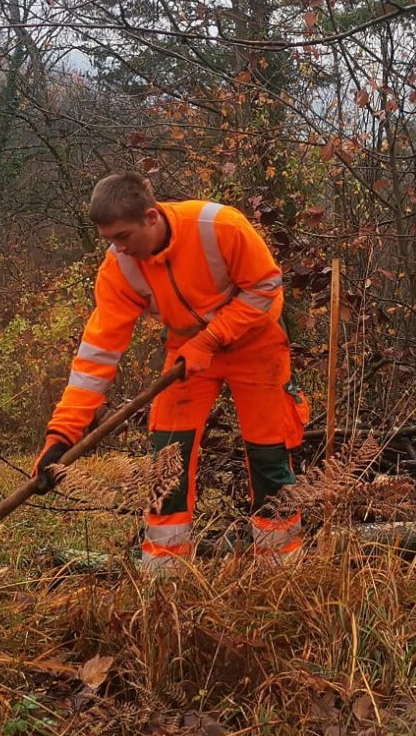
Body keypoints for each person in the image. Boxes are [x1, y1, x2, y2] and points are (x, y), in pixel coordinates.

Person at [34, 173, 309, 571]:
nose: (118, 248)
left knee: (268, 451)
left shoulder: (220, 226)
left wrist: (211, 339)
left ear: (150, 217)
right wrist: (61, 435)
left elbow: (265, 286)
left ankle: (280, 567)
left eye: (123, 236)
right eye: (110, 239)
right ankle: (164, 572)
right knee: (168, 455)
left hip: (256, 343)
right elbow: (97, 354)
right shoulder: (120, 267)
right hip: (186, 352)